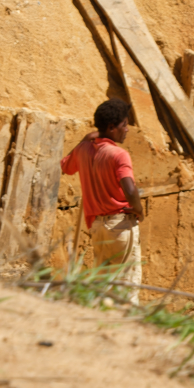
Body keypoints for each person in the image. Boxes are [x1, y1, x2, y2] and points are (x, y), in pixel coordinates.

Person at [60, 99, 142, 295]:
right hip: (120, 225)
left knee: (103, 283)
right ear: (112, 127)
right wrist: (139, 209)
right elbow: (130, 190)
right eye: (124, 124)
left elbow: (65, 166)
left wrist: (85, 139)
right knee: (126, 287)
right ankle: (126, 324)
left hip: (97, 227)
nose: (127, 129)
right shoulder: (118, 154)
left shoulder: (83, 150)